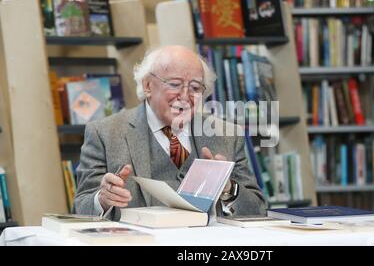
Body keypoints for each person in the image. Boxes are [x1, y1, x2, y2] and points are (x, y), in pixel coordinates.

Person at [74, 45, 267, 220]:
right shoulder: (104, 133)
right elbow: (81, 208)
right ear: (148, 85)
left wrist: (228, 189)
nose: (185, 96)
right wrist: (103, 199)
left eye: (195, 87)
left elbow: (258, 210)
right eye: (174, 84)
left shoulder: (227, 135)